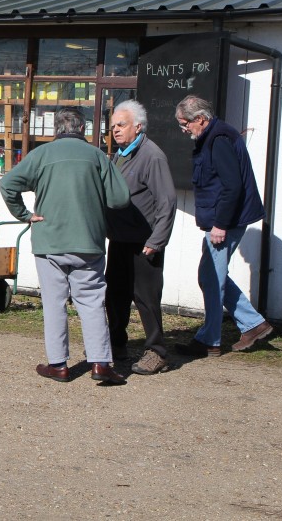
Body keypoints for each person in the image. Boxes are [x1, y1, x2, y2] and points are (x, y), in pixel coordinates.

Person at [0, 107, 131, 385]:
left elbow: (8, 183)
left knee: (54, 303)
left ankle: (58, 365)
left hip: (50, 241)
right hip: (89, 240)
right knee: (93, 302)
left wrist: (25, 215)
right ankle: (101, 364)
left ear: (56, 129)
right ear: (82, 128)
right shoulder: (97, 156)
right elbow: (120, 199)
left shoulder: (40, 155)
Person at [174, 95, 273, 356]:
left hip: (225, 222)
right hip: (224, 219)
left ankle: (210, 340)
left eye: (185, 124)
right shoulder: (215, 136)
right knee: (209, 276)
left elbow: (232, 187)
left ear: (201, 120)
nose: (184, 130)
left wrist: (220, 225)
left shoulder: (218, 140)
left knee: (211, 277)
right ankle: (253, 324)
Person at [104, 100, 176, 375]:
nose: (115, 131)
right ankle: (117, 345)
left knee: (146, 298)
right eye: (112, 127)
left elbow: (167, 201)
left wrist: (156, 241)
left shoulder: (152, 156)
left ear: (138, 126)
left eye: (121, 125)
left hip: (145, 242)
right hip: (120, 239)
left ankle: (157, 352)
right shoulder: (121, 154)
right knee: (116, 295)